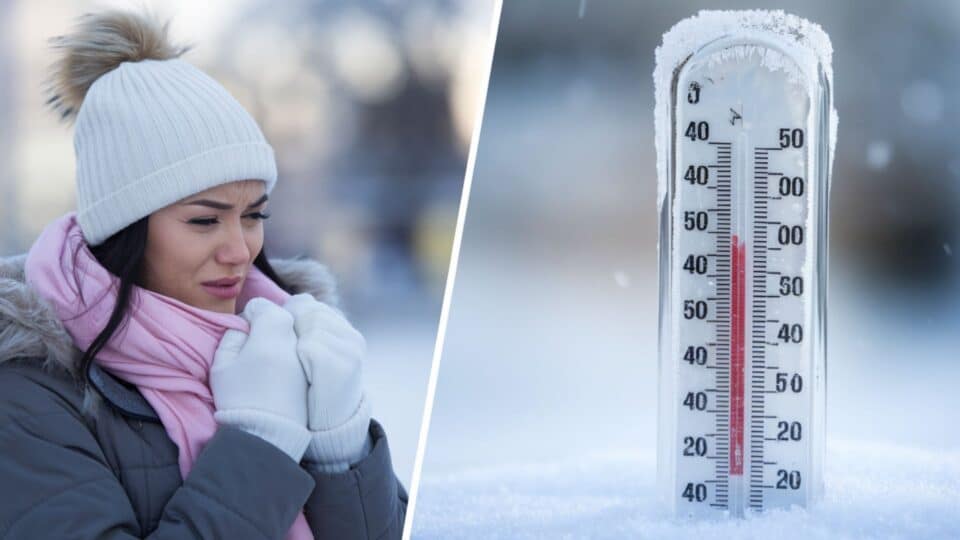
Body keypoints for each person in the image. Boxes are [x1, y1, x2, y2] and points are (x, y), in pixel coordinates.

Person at [0, 10, 406, 539]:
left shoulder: (284, 345)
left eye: (254, 215)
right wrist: (259, 446)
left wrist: (342, 447)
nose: (239, 250)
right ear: (125, 227)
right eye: (204, 220)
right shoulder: (27, 392)